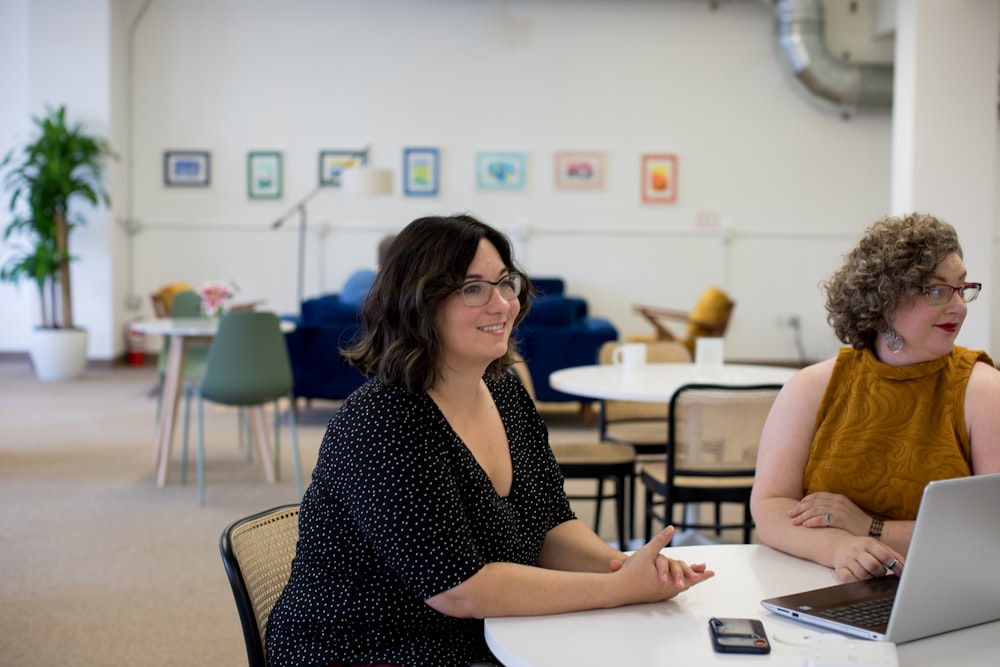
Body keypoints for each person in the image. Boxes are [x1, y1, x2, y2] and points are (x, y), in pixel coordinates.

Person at [266, 214, 714, 667]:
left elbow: (551, 523)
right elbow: (460, 590)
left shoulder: (505, 390)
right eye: (473, 288)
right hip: (366, 648)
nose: (502, 304)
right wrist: (617, 590)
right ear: (419, 302)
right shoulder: (383, 420)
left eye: (505, 283)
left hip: (479, 634)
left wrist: (623, 566)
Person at [750, 213, 1000, 583]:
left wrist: (871, 528)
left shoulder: (984, 391)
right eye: (936, 290)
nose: (958, 306)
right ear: (883, 301)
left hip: (941, 590)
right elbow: (770, 506)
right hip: (817, 586)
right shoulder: (811, 388)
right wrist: (837, 547)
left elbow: (989, 531)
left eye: (961, 288)